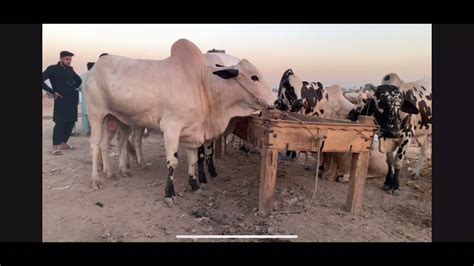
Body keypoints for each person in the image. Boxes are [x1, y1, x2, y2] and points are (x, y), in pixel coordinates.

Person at [42, 51, 82, 155]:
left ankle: (63, 143)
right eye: (67, 59)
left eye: (70, 59)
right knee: (60, 122)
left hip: (72, 99)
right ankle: (55, 147)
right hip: (61, 99)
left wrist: (74, 87)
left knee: (71, 121)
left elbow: (79, 81)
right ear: (61, 59)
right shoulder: (52, 69)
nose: (69, 61)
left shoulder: (70, 69)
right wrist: (52, 91)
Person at [77, 62, 95, 136]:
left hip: (85, 100)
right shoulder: (97, 77)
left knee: (85, 116)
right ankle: (94, 132)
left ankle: (87, 132)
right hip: (95, 101)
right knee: (95, 116)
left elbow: (78, 87)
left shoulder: (82, 76)